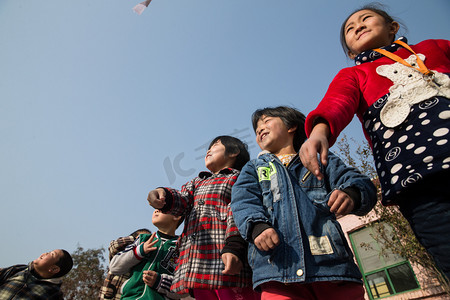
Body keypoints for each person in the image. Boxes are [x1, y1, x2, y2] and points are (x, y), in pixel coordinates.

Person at [299, 3, 450, 279]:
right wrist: (319, 131)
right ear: (349, 51)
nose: (357, 25)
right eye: (349, 28)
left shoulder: (436, 47)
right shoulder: (354, 75)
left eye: (366, 18)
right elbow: (337, 102)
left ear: (393, 28)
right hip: (415, 179)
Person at [230, 106, 377, 300]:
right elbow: (243, 200)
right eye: (257, 129)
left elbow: (357, 181)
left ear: (291, 126)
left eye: (266, 122)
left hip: (331, 266)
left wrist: (351, 193)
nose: (260, 129)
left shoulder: (317, 157)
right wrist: (257, 226)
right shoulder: (254, 168)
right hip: (277, 270)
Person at [147, 136, 260, 300]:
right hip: (196, 268)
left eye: (215, 145)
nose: (208, 150)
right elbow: (181, 200)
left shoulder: (238, 178)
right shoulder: (197, 182)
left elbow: (238, 212)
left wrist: (235, 246)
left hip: (226, 261)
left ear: (234, 151)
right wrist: (163, 195)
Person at [109, 210, 183, 300]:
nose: (156, 210)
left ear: (177, 216)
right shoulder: (142, 239)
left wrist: (160, 281)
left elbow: (185, 287)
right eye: (156, 207)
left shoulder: (182, 247)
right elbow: (114, 267)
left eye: (162, 208)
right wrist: (139, 251)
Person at [0, 249, 73, 300]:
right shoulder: (19, 269)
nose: (46, 253)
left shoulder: (54, 294)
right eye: (49, 252)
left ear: (54, 269)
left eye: (52, 254)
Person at [99, 228, 151, 300]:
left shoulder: (144, 264)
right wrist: (138, 240)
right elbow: (114, 245)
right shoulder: (121, 254)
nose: (146, 241)